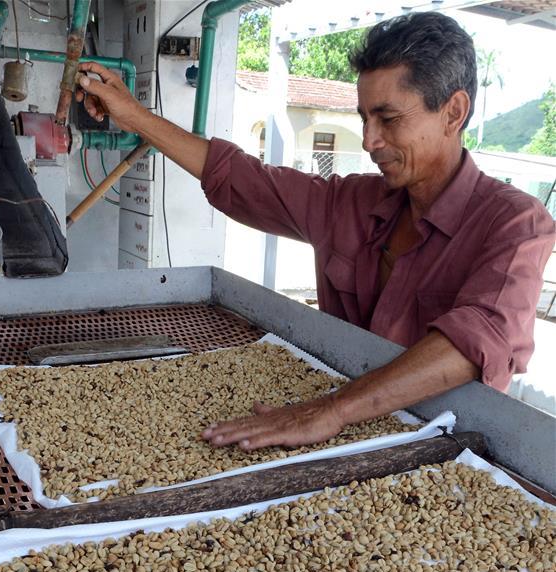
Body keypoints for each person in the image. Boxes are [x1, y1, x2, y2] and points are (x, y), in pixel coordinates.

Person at [76, 12, 555, 452]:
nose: (369, 140)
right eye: (364, 119)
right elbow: (245, 180)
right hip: (330, 427)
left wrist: (330, 410)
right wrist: (131, 115)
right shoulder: (355, 201)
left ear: (453, 112)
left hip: (437, 450)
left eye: (387, 118)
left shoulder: (516, 224)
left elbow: (476, 342)